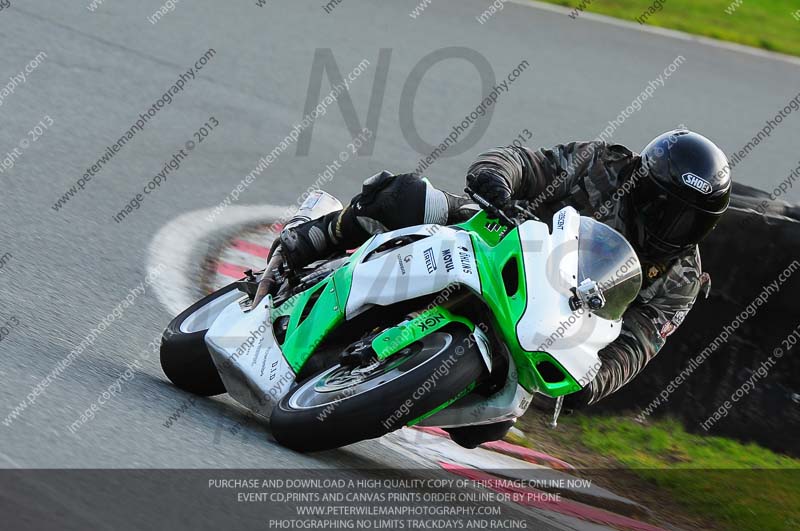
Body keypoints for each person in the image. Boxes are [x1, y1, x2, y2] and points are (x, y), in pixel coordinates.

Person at [267, 129, 732, 447]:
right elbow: (526, 162)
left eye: (692, 221)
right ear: (644, 187)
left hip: (541, 323)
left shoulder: (682, 279)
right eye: (665, 209)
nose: (673, 227)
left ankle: (384, 383)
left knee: (485, 428)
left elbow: (639, 343)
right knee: (407, 198)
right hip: (501, 238)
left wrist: (594, 382)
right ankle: (314, 235)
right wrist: (497, 181)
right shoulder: (601, 165)